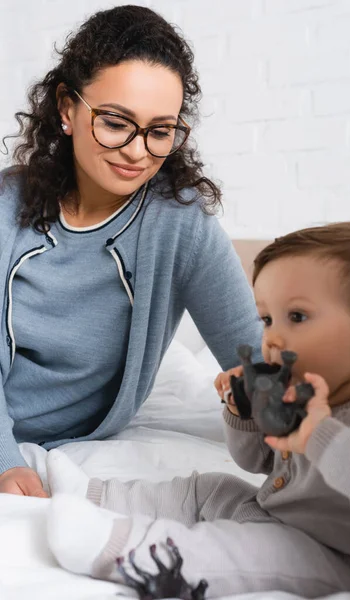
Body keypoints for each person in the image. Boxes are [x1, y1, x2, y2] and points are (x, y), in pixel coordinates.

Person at [46, 221, 350, 598]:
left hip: (343, 559)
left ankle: (122, 550)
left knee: (246, 551)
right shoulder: (301, 397)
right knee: (211, 488)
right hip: (275, 517)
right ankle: (94, 494)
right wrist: (242, 411)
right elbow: (257, 461)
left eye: (296, 317)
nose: (272, 338)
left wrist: (320, 436)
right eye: (267, 319)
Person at [0, 5, 263, 497]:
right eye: (117, 123)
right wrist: (5, 461)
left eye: (160, 131)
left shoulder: (180, 225)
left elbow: (253, 355)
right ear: (66, 109)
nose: (138, 151)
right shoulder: (4, 207)